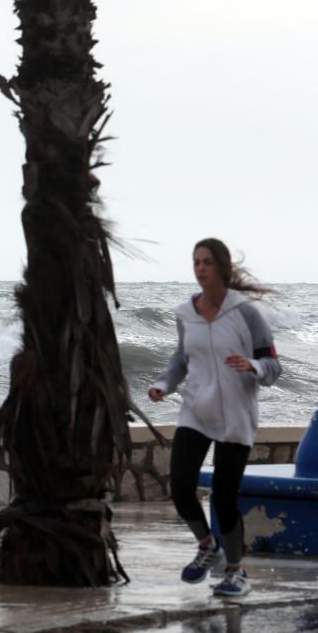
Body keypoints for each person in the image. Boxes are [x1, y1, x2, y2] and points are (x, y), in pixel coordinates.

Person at [148, 238, 281, 598]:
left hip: (236, 416)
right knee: (180, 487)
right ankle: (208, 545)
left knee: (224, 498)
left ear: (222, 267)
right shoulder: (185, 313)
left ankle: (237, 572)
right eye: (196, 262)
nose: (200, 268)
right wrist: (164, 384)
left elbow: (273, 365)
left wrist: (251, 365)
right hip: (196, 411)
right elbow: (181, 360)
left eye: (207, 261)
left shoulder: (246, 313)